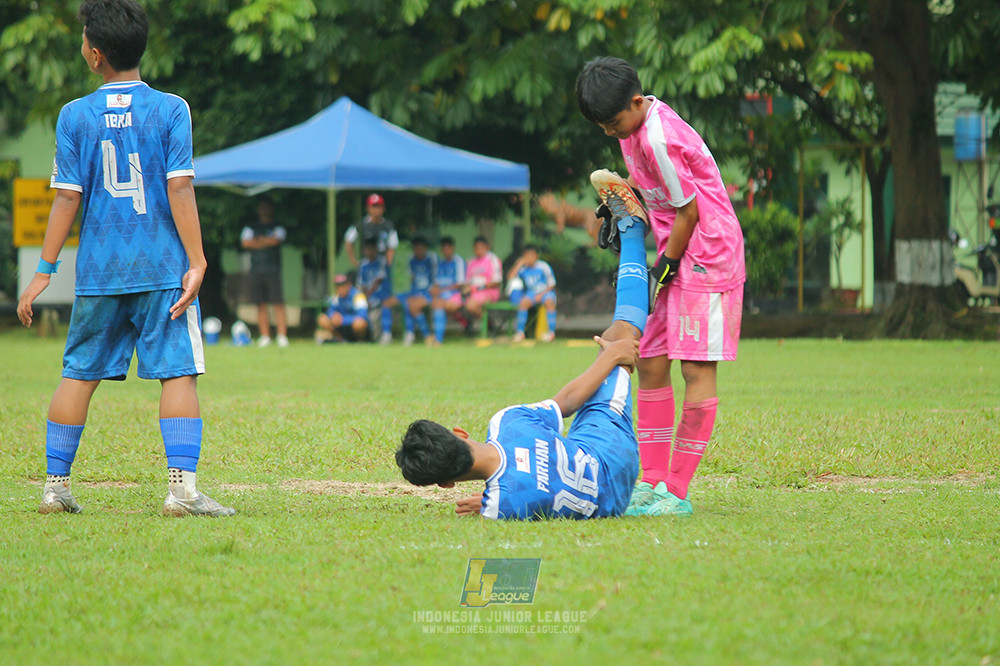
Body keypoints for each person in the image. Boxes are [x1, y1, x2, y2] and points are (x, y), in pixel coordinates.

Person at [15, 0, 234, 517]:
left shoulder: (75, 116)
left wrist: (43, 272)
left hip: (99, 272)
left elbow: (66, 198)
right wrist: (197, 261)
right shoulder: (171, 108)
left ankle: (55, 488)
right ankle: (181, 492)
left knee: (78, 374)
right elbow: (179, 188)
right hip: (162, 268)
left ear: (94, 54)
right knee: (178, 373)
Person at [395, 207, 651, 519]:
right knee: (618, 334)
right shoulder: (506, 423)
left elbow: (522, 492)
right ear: (459, 433)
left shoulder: (500, 507)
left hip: (611, 495)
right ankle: (633, 227)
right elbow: (566, 402)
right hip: (609, 454)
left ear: (447, 484)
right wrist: (611, 354)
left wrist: (491, 499)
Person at [576, 56, 746, 516]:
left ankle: (676, 491)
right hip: (677, 248)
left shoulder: (657, 137)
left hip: (706, 253)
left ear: (636, 101)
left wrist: (664, 267)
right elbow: (652, 192)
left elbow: (689, 212)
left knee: (695, 370)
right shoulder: (632, 130)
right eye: (602, 127)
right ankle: (649, 481)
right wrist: (621, 211)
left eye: (613, 123)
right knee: (649, 361)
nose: (611, 133)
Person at [240, 196, 289, 348]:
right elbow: (245, 242)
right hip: (256, 269)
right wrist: (265, 241)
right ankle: (265, 336)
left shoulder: (277, 226)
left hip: (273, 269)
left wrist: (258, 241)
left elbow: (276, 240)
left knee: (277, 303)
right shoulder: (251, 226)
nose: (264, 210)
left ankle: (282, 335)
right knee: (260, 304)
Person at [507, 245, 557, 343]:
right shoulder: (523, 268)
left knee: (549, 302)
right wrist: (518, 264)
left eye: (531, 255)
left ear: (536, 256)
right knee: (524, 303)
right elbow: (510, 277)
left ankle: (551, 333)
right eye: (527, 256)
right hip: (531, 293)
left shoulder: (543, 266)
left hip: (545, 292)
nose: (529, 258)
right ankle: (520, 333)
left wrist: (541, 294)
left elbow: (552, 284)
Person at [343, 193, 398, 268]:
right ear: (368, 208)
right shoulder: (360, 224)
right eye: (374, 206)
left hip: (382, 263)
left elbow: (392, 246)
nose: (377, 209)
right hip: (366, 263)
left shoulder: (388, 226)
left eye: (379, 206)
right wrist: (354, 261)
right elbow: (348, 240)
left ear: (383, 208)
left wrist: (388, 264)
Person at [400, 235, 437, 346]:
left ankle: (426, 335)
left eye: (420, 248)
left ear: (425, 248)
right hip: (415, 292)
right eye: (415, 248)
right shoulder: (411, 260)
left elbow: (435, 279)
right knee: (407, 304)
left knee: (413, 306)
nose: (418, 251)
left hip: (429, 292)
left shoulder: (432, 259)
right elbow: (410, 279)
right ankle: (410, 333)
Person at [429, 236, 466, 345]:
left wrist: (442, 290)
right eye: (443, 249)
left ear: (452, 248)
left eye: (447, 248)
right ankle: (434, 336)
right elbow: (436, 283)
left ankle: (438, 339)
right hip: (443, 295)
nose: (445, 251)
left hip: (456, 295)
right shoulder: (440, 264)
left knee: (439, 304)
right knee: (436, 303)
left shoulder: (458, 261)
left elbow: (460, 283)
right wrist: (435, 291)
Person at [462, 235, 503, 334]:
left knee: (471, 305)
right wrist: (466, 289)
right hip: (473, 292)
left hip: (489, 291)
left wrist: (479, 288)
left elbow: (497, 282)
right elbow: (467, 281)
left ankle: (489, 325)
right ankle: (469, 326)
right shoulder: (471, 262)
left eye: (481, 247)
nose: (478, 250)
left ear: (487, 247)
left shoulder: (493, 259)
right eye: (476, 247)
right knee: (458, 302)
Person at [357, 238, 394, 342]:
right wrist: (364, 298)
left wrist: (367, 295)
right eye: (367, 249)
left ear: (376, 250)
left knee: (378, 312)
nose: (369, 252)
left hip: (382, 296)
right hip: (369, 298)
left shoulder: (382, 261)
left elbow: (378, 280)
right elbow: (361, 285)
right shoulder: (363, 265)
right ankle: (364, 338)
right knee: (362, 313)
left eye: (372, 249)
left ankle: (386, 335)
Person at [316, 274, 369, 343]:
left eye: (343, 285)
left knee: (359, 323)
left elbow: (362, 315)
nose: (340, 288)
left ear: (349, 285)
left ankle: (360, 341)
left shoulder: (358, 296)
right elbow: (330, 310)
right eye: (338, 286)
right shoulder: (337, 297)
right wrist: (333, 315)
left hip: (353, 325)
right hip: (342, 327)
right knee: (322, 319)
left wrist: (343, 319)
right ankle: (341, 340)